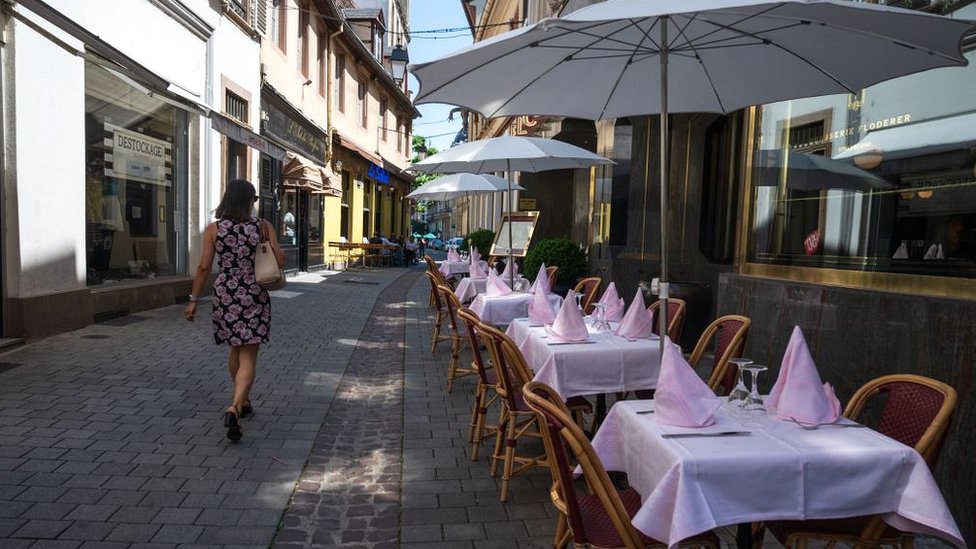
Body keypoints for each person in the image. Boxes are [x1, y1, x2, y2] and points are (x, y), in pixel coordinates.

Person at [184, 180, 284, 442]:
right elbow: (280, 261)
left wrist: (194, 299)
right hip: (253, 292)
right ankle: (235, 407)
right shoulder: (263, 226)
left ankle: (244, 399)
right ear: (250, 201)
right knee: (249, 354)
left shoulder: (214, 229)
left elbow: (204, 267)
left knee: (234, 348)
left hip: (226, 292)